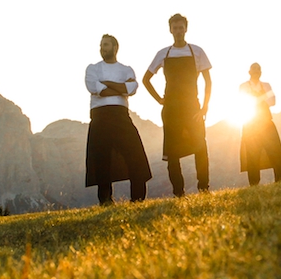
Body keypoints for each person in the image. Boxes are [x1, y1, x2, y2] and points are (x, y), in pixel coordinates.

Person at [143, 14, 211, 196]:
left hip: (192, 107)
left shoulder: (197, 51)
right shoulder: (163, 54)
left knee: (200, 147)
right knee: (173, 153)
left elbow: (208, 82)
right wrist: (159, 99)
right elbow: (146, 79)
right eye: (175, 28)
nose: (178, 31)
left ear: (186, 29)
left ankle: (203, 188)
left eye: (181, 28)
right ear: (170, 30)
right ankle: (178, 193)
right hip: (171, 109)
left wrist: (205, 107)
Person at [85, 34, 152, 205]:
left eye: (106, 45)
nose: (102, 48)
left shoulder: (126, 69)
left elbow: (132, 88)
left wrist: (107, 84)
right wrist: (121, 88)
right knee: (101, 158)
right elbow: (94, 87)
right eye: (101, 45)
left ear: (115, 47)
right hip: (100, 116)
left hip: (121, 115)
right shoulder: (92, 68)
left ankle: (137, 199)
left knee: (135, 154)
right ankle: (106, 201)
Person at [238, 63, 281, 186]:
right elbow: (243, 103)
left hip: (266, 122)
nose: (256, 72)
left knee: (275, 150)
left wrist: (257, 98)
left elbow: (273, 101)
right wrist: (262, 99)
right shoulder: (243, 86)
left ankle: (280, 180)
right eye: (254, 69)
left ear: (261, 72)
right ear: (249, 72)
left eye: (258, 69)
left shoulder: (266, 85)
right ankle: (254, 184)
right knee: (252, 154)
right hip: (250, 124)